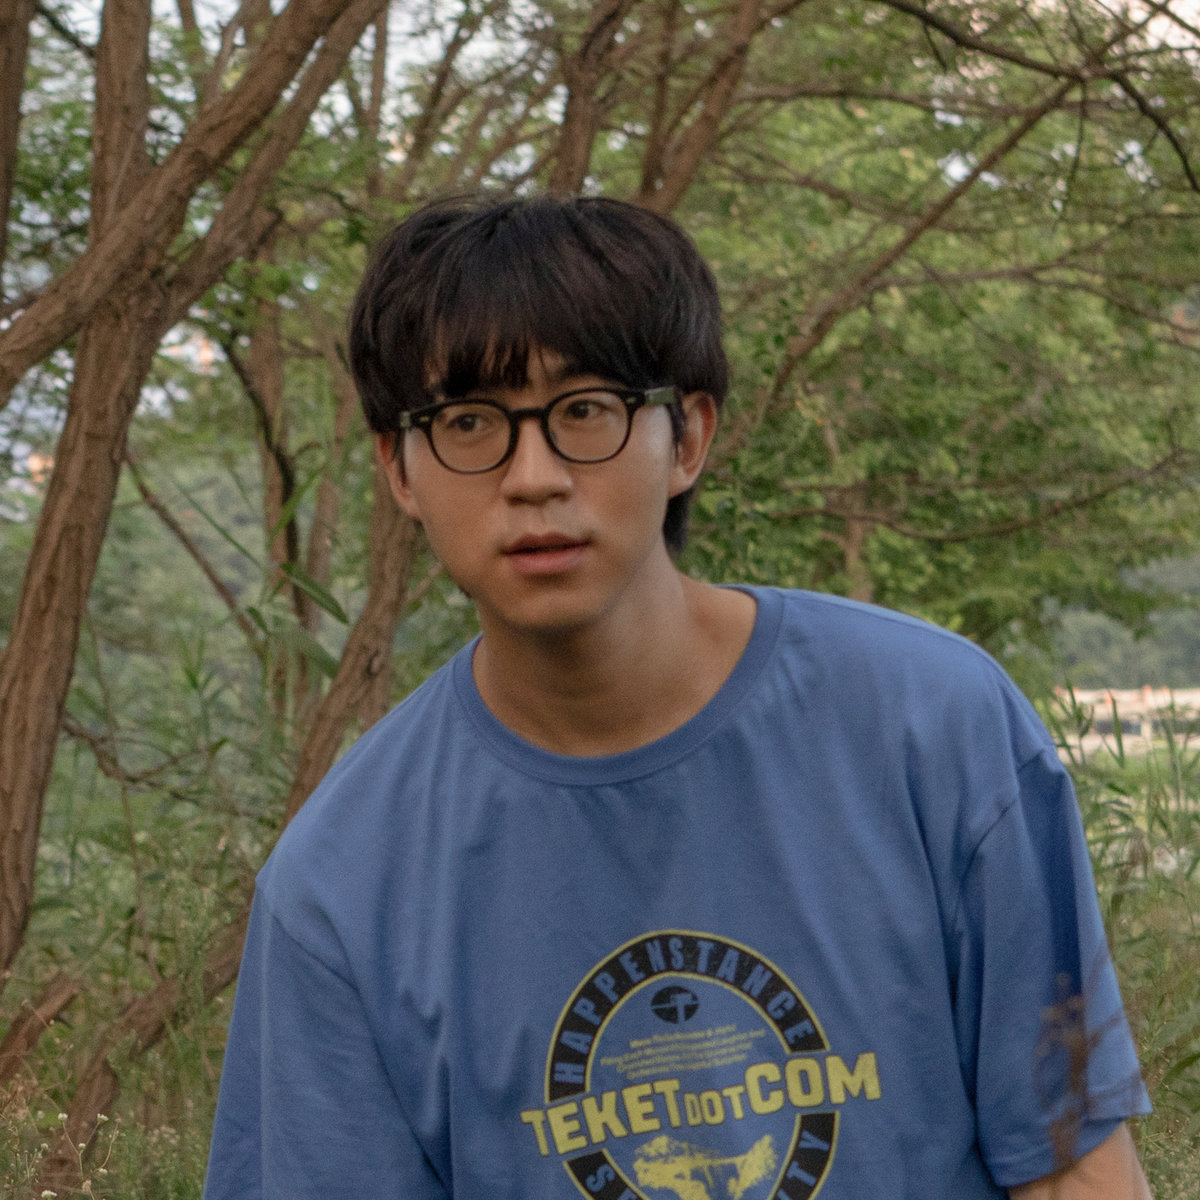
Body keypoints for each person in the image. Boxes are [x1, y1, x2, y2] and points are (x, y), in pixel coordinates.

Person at [202, 194, 1153, 1200]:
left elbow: (1072, 1167)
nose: (533, 477)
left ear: (688, 437)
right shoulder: (341, 888)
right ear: (399, 467)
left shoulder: (935, 728)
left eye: (585, 410)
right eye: (469, 422)